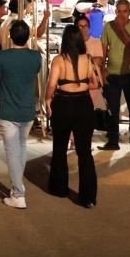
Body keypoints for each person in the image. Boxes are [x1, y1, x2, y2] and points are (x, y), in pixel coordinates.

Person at [0, 20, 43, 209]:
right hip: (27, 110)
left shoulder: (1, 57)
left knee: (12, 152)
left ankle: (18, 193)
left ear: (9, 35)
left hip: (8, 110)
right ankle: (18, 188)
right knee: (21, 147)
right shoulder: (36, 57)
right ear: (28, 36)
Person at [45, 24, 99, 208]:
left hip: (63, 102)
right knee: (85, 151)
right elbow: (96, 83)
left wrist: (47, 99)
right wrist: (81, 84)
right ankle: (88, 197)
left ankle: (59, 188)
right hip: (83, 103)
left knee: (59, 147)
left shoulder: (58, 60)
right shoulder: (88, 59)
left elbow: (52, 84)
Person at [99, 0, 130, 152]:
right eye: (119, 11)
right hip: (112, 73)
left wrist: (121, 28)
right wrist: (102, 69)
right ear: (115, 11)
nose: (121, 14)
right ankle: (112, 140)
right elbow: (103, 49)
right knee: (112, 109)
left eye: (125, 11)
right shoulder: (108, 26)